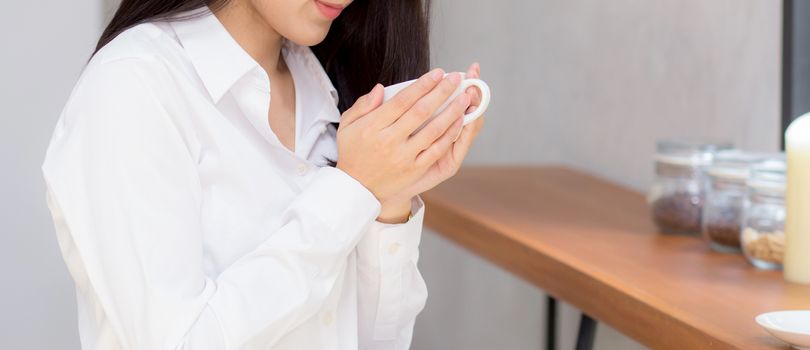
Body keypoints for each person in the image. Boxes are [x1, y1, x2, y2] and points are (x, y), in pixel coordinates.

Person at [41, 0, 485, 348]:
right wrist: (353, 189)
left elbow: (370, 343)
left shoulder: (329, 90)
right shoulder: (134, 86)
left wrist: (390, 198)